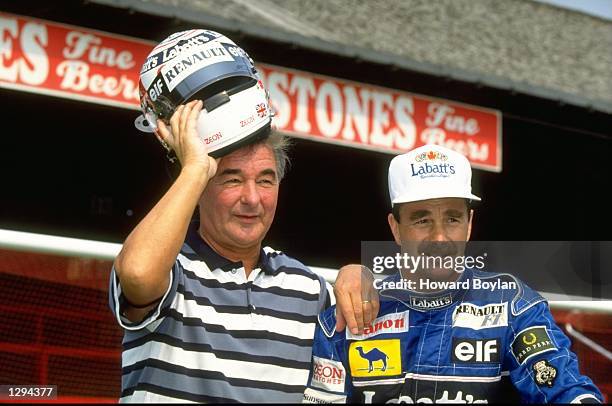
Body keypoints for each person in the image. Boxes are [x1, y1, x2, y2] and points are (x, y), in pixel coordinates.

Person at [109, 29, 369, 403]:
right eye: (231, 179)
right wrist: (196, 167)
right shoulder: (173, 269)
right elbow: (136, 274)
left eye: (266, 180)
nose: (252, 198)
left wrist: (359, 274)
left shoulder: (311, 291)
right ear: (200, 187)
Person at [303, 144, 603, 403]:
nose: (439, 238)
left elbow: (562, 387)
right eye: (422, 220)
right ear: (396, 228)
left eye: (452, 218)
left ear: (469, 224)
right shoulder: (352, 315)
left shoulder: (513, 305)